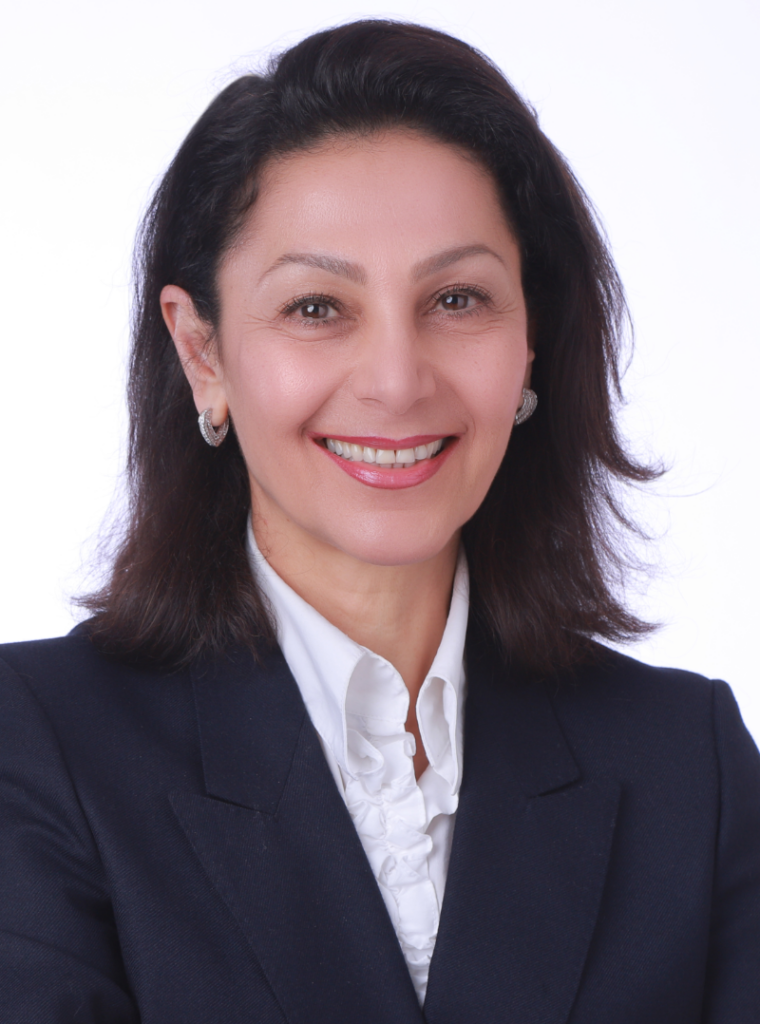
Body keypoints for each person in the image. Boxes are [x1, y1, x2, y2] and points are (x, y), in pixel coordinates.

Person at [1, 19, 758, 1024]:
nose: (397, 382)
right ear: (203, 354)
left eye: (457, 298)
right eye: (317, 307)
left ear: (531, 340)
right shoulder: (37, 743)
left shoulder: (685, 763)